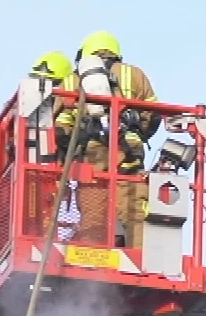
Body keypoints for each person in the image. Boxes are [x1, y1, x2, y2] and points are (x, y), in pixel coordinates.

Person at [64, 31, 159, 248]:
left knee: (93, 214)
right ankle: (140, 256)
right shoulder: (134, 74)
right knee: (134, 210)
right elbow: (154, 115)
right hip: (128, 151)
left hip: (91, 155)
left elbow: (60, 126)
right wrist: (138, 132)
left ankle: (92, 258)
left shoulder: (72, 80)